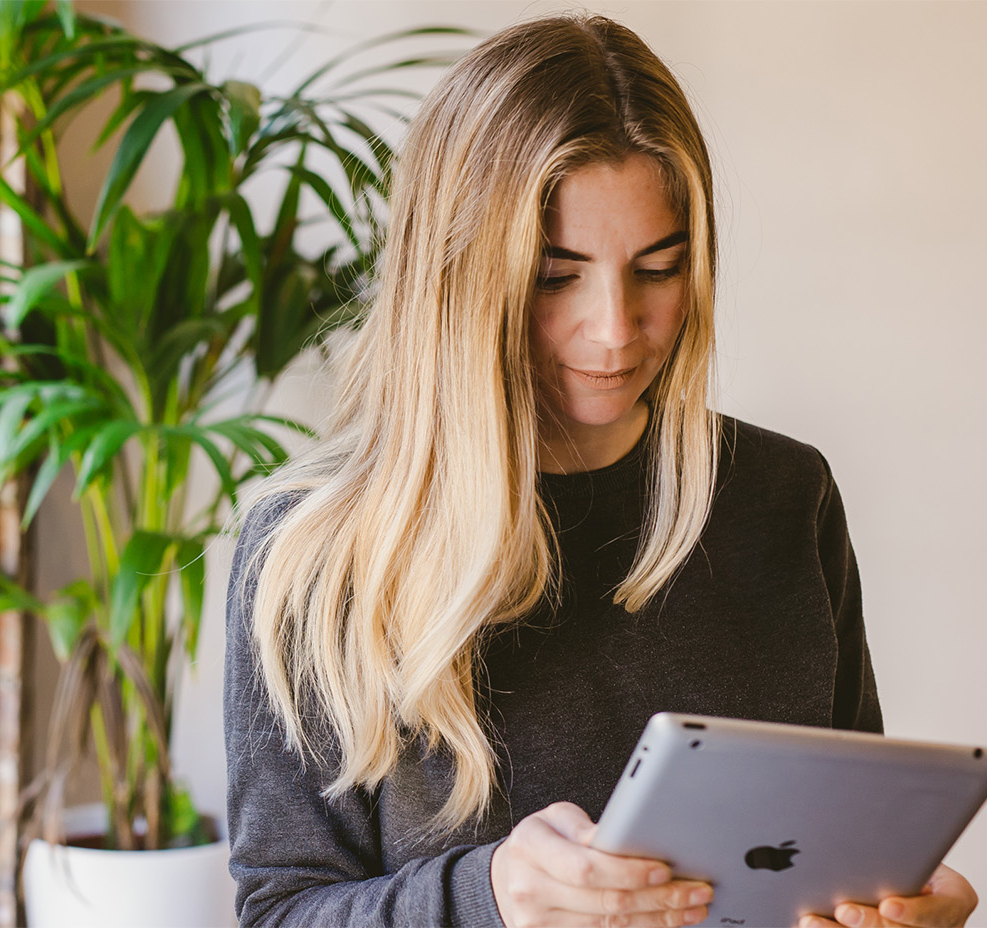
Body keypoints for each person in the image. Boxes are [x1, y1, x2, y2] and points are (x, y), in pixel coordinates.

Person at [223, 14, 979, 928]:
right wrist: (489, 897)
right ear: (458, 276)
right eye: (555, 277)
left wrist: (897, 909)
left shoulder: (786, 497)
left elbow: (835, 853)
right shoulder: (317, 550)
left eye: (657, 269)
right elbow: (281, 913)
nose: (615, 331)